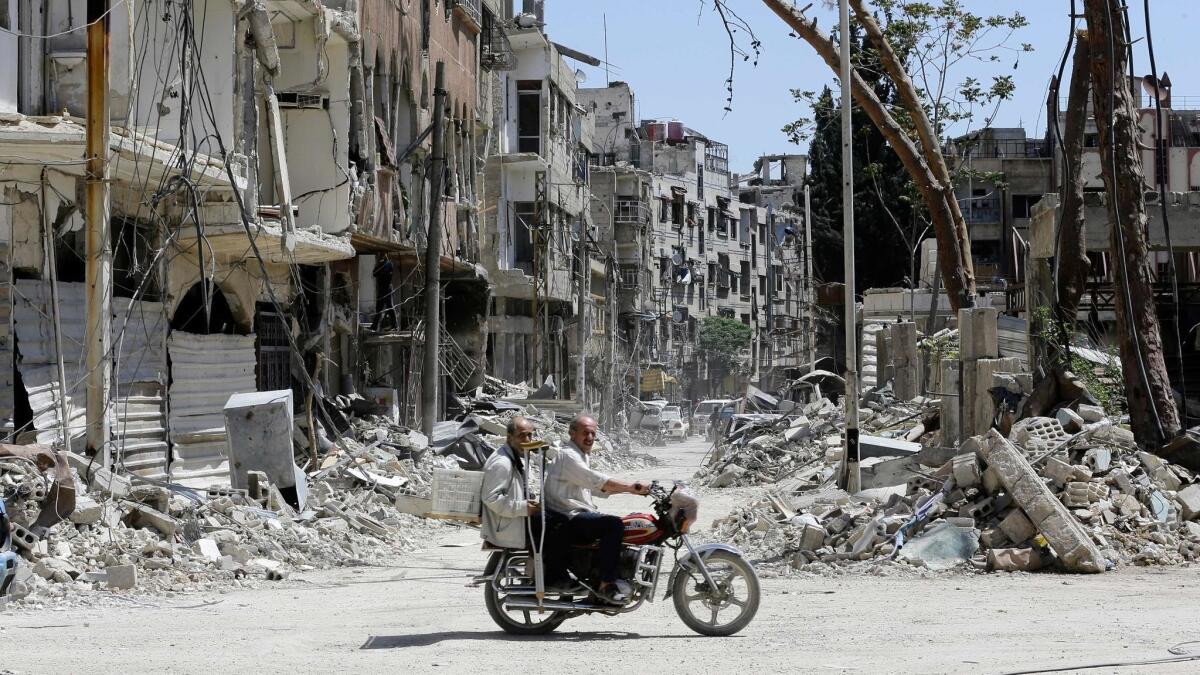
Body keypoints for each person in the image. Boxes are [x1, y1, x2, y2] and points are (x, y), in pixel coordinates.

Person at [545, 414, 651, 603]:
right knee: (613, 525)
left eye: (593, 434)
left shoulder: (580, 455)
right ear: (572, 433)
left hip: (573, 514)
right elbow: (596, 480)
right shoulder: (569, 456)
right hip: (567, 518)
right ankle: (606, 584)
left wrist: (628, 491)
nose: (590, 438)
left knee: (625, 521)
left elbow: (598, 488)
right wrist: (630, 487)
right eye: (586, 433)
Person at [480, 417, 565, 585]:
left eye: (530, 436)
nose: (527, 441)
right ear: (509, 437)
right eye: (521, 436)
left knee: (554, 517)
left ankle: (537, 569)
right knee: (558, 526)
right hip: (507, 524)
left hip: (512, 519)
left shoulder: (514, 456)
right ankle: (548, 577)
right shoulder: (502, 463)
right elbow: (491, 498)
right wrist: (523, 508)